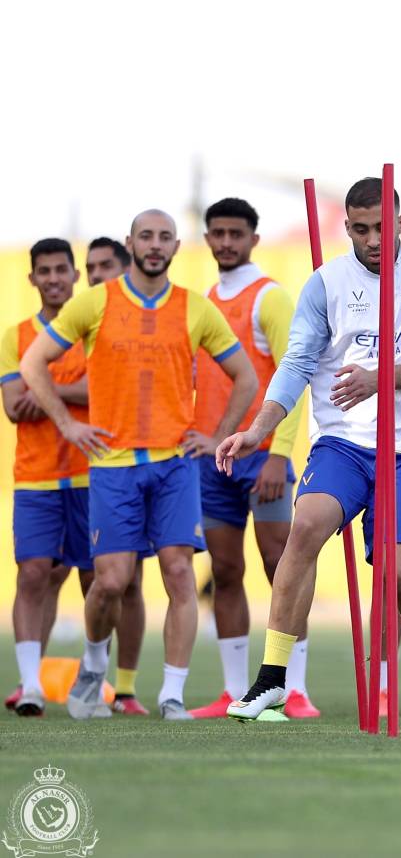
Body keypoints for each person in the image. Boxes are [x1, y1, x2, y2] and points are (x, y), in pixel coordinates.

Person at [218, 177, 401, 731]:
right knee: (303, 527)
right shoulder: (325, 283)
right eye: (360, 229)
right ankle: (272, 678)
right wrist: (259, 429)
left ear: (400, 222)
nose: (374, 238)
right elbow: (297, 362)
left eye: (383, 226)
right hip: (344, 442)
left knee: (399, 575)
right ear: (347, 227)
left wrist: (380, 378)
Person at [20, 209, 258, 720]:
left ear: (176, 246)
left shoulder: (195, 309)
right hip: (112, 465)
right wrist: (66, 424)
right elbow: (32, 363)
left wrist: (218, 435)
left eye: (164, 237)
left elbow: (245, 376)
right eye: (145, 236)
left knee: (177, 571)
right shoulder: (95, 302)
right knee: (110, 581)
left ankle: (172, 694)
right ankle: (92, 663)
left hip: (175, 465)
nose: (155, 245)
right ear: (131, 243)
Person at [186, 198, 312, 719]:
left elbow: (297, 375)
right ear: (208, 238)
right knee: (226, 568)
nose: (226, 242)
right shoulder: (206, 300)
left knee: (280, 564)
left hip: (263, 460)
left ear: (254, 238)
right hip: (216, 463)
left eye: (236, 233)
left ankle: (296, 689)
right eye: (217, 233)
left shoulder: (272, 299)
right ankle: (234, 690)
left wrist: (278, 456)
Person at [1, 239, 90, 716]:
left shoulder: (92, 329)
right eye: (44, 271)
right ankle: (31, 684)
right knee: (33, 573)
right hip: (36, 476)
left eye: (61, 269)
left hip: (90, 472)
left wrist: (40, 384)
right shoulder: (16, 335)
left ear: (75, 276)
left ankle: (98, 678)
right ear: (32, 278)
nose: (54, 278)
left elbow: (102, 394)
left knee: (97, 578)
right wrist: (74, 393)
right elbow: (14, 406)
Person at [83, 235, 149, 715]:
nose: (96, 275)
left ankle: (124, 689)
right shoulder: (81, 317)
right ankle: (85, 673)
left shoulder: (137, 314)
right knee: (103, 581)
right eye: (91, 267)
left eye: (106, 265)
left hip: (140, 464)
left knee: (130, 582)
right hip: (89, 469)